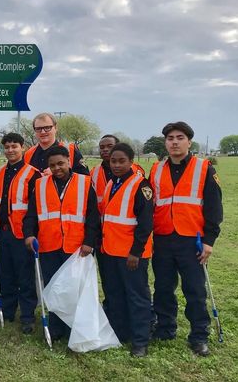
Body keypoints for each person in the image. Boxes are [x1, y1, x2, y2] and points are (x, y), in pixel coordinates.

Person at [149, 121, 223, 356]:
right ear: (165, 143)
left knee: (194, 290)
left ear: (189, 142)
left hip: (193, 240)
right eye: (170, 138)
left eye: (179, 137)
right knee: (162, 287)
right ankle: (165, 327)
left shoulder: (204, 168)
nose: (174, 142)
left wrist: (209, 240)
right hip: (162, 238)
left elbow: (214, 207)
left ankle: (199, 335)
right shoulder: (156, 169)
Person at [23, 145, 100, 341]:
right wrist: (29, 234)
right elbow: (31, 214)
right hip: (48, 246)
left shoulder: (85, 183)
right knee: (54, 288)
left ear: (69, 162)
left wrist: (89, 242)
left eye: (61, 164)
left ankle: (73, 328)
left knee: (74, 289)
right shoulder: (40, 185)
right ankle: (56, 328)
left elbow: (92, 216)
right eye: (52, 165)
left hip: (76, 248)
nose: (57, 168)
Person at [99, 143, 153, 357]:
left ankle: (140, 341)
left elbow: (146, 223)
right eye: (114, 161)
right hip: (110, 252)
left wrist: (136, 252)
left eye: (122, 161)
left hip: (131, 255)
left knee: (137, 297)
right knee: (115, 295)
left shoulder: (141, 185)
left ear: (132, 161)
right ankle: (120, 333)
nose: (117, 165)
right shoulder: (111, 183)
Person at [0, 133, 40, 333]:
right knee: (4, 274)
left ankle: (27, 316)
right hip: (2, 232)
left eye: (14, 146)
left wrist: (30, 232)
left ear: (23, 147)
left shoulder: (33, 174)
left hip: (22, 235)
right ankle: (6, 311)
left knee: (24, 277)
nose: (10, 150)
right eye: (7, 147)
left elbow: (35, 208)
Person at [90, 134, 145, 312]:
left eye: (109, 146)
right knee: (110, 284)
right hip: (104, 239)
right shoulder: (95, 173)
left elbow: (143, 216)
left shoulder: (137, 175)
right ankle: (114, 317)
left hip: (127, 243)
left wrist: (136, 249)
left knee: (133, 288)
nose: (105, 149)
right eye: (102, 147)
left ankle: (138, 328)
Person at [24, 112, 89, 175]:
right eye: (38, 129)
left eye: (47, 128)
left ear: (55, 128)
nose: (43, 132)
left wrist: (60, 172)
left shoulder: (70, 150)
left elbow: (84, 178)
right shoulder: (28, 154)